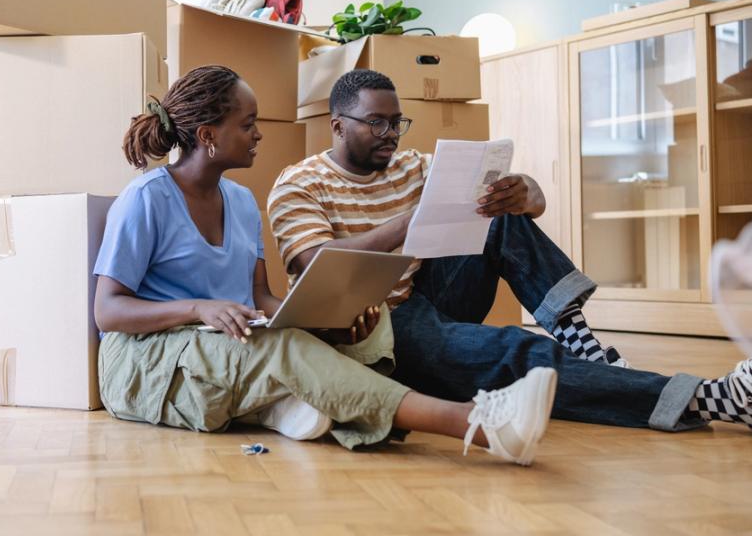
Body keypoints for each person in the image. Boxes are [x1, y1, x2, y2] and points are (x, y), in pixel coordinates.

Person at [92, 64, 559, 465]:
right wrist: (198, 308)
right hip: (145, 358)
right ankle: (475, 423)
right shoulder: (145, 199)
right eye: (248, 124)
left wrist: (322, 323)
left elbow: (261, 300)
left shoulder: (241, 201)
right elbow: (108, 313)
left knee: (353, 333)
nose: (258, 134)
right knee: (280, 352)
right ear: (208, 136)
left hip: (223, 340)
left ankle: (292, 405)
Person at [268, 68, 752, 434]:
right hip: (372, 327)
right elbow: (319, 263)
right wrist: (407, 223)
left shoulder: (412, 164)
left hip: (423, 296)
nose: (392, 135)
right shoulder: (299, 184)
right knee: (517, 349)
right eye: (377, 123)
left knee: (493, 207)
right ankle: (713, 398)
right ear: (337, 125)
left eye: (398, 123)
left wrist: (525, 193)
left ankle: (580, 340)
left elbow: (532, 204)